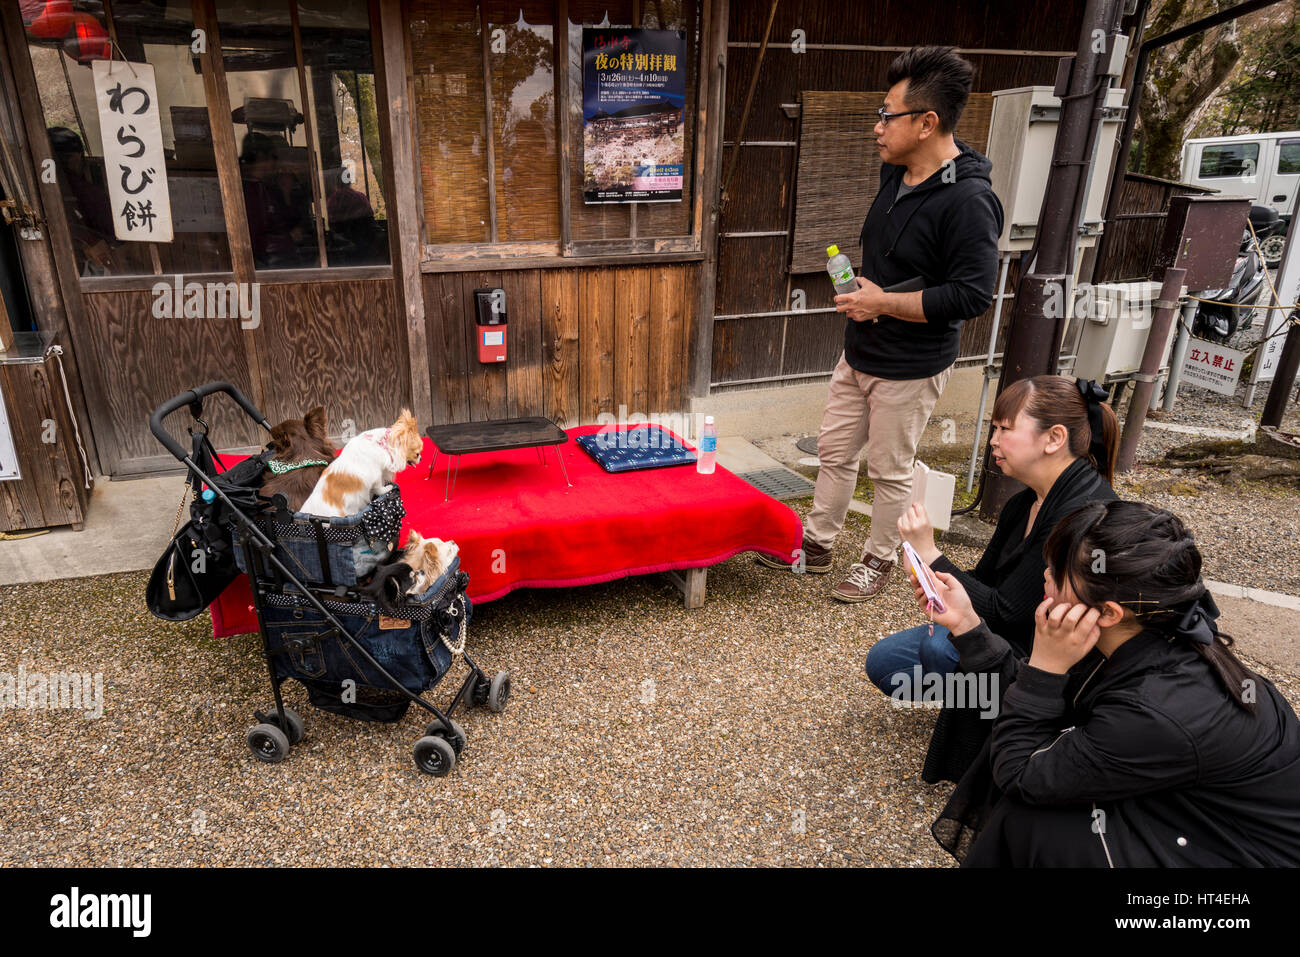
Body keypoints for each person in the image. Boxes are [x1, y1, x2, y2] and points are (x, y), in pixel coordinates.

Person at [915, 500, 1300, 867]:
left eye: (1056, 572)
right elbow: (1032, 707)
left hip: (1238, 850)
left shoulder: (1157, 707)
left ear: (1110, 612)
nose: (1045, 577)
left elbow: (1020, 773)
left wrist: (1045, 669)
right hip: (1188, 808)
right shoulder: (1143, 632)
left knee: (1034, 821)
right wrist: (966, 624)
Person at [757, 46, 1002, 603]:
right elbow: (899, 263)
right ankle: (818, 544)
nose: (877, 127)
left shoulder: (969, 201)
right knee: (835, 452)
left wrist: (884, 303)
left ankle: (880, 558)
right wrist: (865, 299)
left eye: (887, 114)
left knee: (889, 470)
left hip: (912, 365)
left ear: (926, 122)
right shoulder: (896, 175)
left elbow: (971, 295)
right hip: (861, 348)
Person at [866, 375, 1119, 782]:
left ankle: (1003, 719)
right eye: (994, 428)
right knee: (886, 663)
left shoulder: (1080, 512)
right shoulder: (1025, 502)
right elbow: (982, 580)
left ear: (1053, 438)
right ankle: (977, 703)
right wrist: (927, 572)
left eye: (1005, 428)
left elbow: (1007, 613)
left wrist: (931, 552)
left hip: (1049, 657)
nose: (993, 441)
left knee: (938, 650)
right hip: (1008, 633)